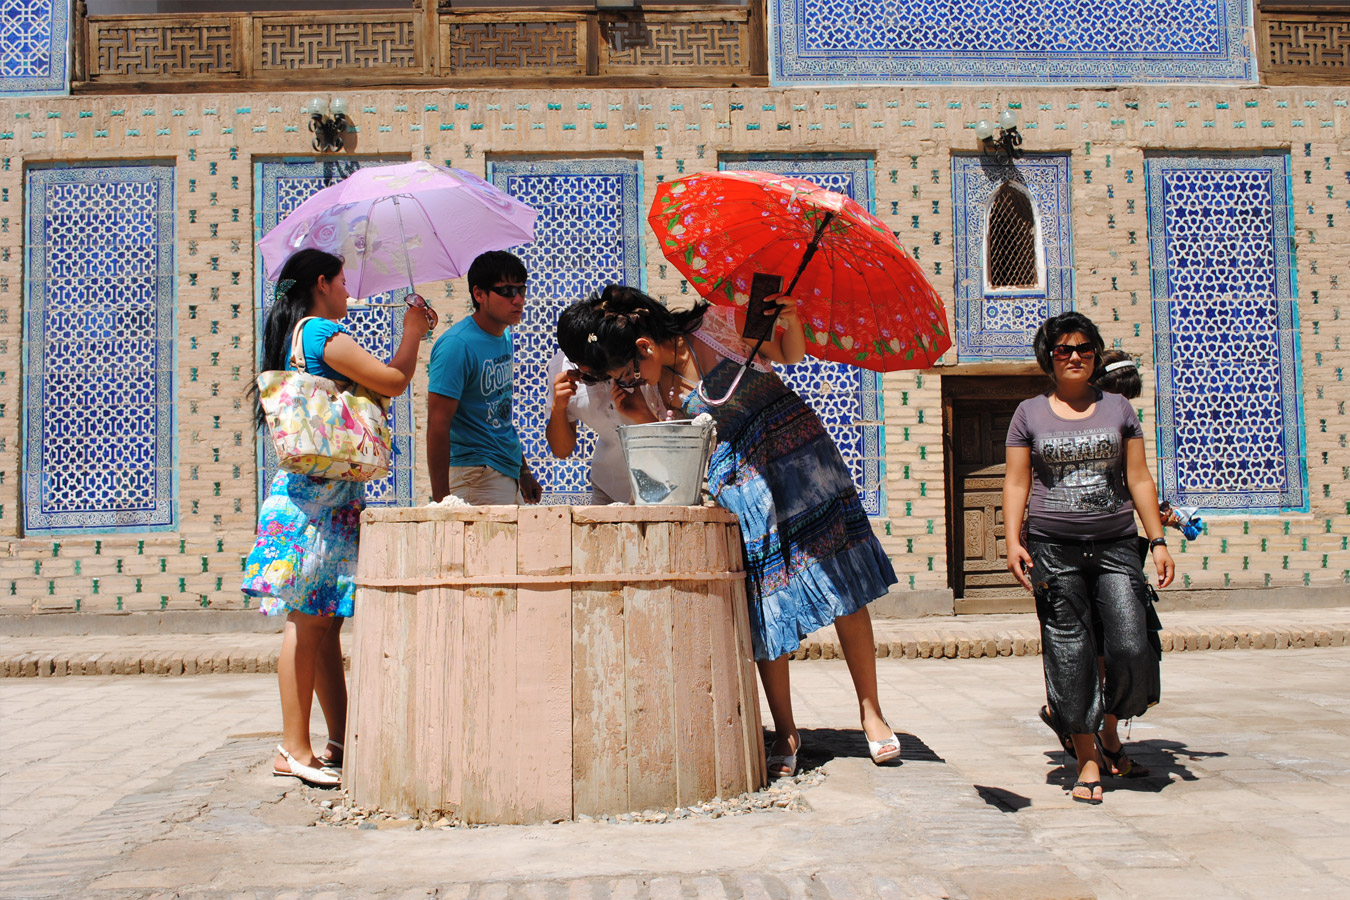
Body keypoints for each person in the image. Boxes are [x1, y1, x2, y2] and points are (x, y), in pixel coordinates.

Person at [558, 285, 902, 777]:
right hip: (742, 487)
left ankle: (872, 712)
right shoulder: (652, 390)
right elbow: (679, 450)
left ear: (645, 347)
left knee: (842, 581)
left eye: (629, 372)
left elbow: (787, 354)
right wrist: (641, 416)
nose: (628, 384)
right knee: (765, 601)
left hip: (799, 456)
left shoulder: (715, 327)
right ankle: (785, 730)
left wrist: (793, 319)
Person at [243, 248, 437, 787]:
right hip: (312, 503)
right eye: (344, 281)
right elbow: (393, 380)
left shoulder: (297, 335)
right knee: (306, 621)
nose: (349, 291)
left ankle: (339, 739)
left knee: (324, 623)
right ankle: (293, 748)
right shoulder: (321, 333)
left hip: (323, 499)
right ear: (322, 283)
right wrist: (413, 329)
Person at [1003, 312, 1176, 805]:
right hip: (1053, 550)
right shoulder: (1028, 413)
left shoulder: (1119, 407)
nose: (1074, 356)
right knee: (1070, 653)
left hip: (1117, 544)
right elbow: (1016, 481)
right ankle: (1087, 760)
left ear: (1095, 354)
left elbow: (1139, 478)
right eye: (1063, 350)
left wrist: (1157, 539)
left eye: (1083, 348)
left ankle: (1108, 726)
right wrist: (1014, 540)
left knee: (1129, 645)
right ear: (1049, 359)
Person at [427, 251, 542, 505]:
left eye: (522, 290)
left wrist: (523, 472)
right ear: (479, 294)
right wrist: (442, 502)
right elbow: (437, 424)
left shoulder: (505, 337)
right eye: (507, 291)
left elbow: (501, 417)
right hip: (474, 475)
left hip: (504, 471)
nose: (518, 299)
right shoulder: (457, 346)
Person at [545, 336, 666, 504]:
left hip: (664, 483)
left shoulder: (640, 355)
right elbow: (562, 450)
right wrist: (558, 409)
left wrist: (642, 413)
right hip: (609, 489)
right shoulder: (560, 369)